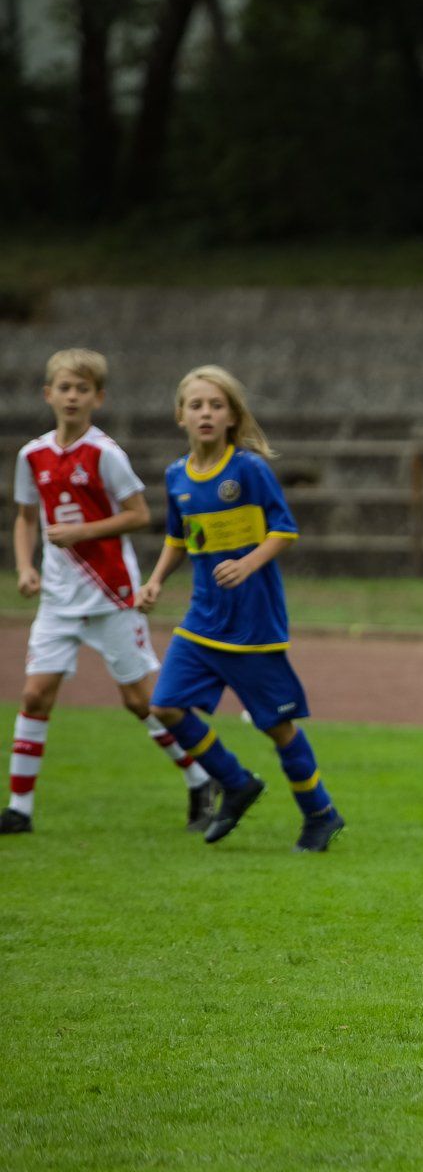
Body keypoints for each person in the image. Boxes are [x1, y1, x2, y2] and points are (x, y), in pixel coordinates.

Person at [135, 366, 346, 852]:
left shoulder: (248, 470)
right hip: (202, 618)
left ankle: (321, 813)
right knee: (164, 705)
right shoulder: (177, 476)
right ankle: (235, 782)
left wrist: (247, 564)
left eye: (216, 405)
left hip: (253, 623)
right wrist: (155, 581)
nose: (206, 413)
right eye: (196, 405)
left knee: (277, 726)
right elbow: (180, 538)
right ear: (180, 415)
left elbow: (284, 529)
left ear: (232, 416)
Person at [4, 349, 215, 835]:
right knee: (34, 695)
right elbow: (26, 517)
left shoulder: (105, 454)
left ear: (97, 398)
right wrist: (25, 567)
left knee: (141, 702)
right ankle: (19, 809)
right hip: (58, 600)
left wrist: (82, 532)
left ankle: (201, 777)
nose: (72, 397)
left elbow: (140, 515)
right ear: (48, 394)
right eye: (64, 388)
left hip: (111, 594)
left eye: (82, 389)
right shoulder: (31, 455)